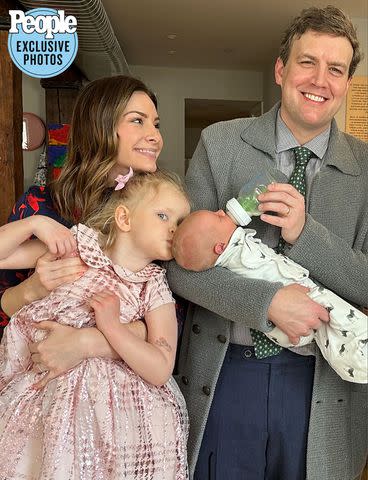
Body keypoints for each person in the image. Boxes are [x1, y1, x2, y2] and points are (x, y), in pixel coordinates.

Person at [166, 6, 368, 480]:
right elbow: (178, 265)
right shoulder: (221, 144)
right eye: (307, 62)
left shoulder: (367, 170)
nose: (320, 79)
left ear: (346, 83)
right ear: (281, 70)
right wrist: (268, 301)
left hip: (325, 388)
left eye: (335, 69)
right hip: (226, 375)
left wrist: (306, 234)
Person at [0, 170, 191, 479]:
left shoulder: (153, 287)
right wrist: (33, 223)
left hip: (122, 429)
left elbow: (160, 367)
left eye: (181, 222)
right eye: (163, 216)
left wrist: (112, 328)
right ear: (124, 219)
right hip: (48, 409)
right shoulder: (80, 248)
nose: (175, 229)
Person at [0, 75, 164, 386]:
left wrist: (84, 343)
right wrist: (30, 291)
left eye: (156, 124)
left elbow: (170, 326)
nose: (155, 135)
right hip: (38, 390)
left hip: (122, 396)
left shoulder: (158, 214)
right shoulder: (40, 207)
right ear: (99, 126)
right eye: (138, 121)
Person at [172, 208, 367, 383]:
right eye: (217, 218)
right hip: (242, 353)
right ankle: (359, 349)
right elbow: (174, 272)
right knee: (332, 311)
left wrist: (303, 234)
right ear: (220, 248)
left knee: (328, 332)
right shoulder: (240, 252)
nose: (221, 212)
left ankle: (351, 360)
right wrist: (267, 301)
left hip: (304, 356)